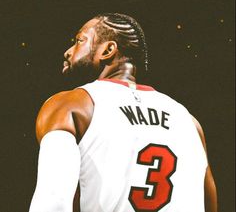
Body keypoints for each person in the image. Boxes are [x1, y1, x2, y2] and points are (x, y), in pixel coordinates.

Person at [29, 13, 217, 212]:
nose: (68, 51)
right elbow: (208, 204)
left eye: (79, 41)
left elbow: (53, 201)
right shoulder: (188, 121)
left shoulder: (69, 105)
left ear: (108, 50)